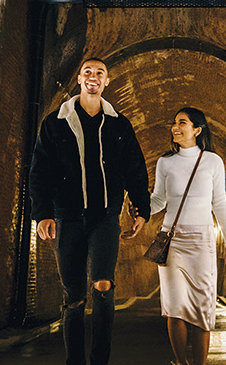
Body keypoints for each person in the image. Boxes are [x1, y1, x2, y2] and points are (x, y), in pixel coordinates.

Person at [29, 57, 151, 365]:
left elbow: (135, 169)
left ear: (107, 81)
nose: (93, 77)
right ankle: (75, 361)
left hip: (105, 217)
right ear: (80, 79)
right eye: (88, 72)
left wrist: (141, 209)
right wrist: (42, 213)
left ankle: (100, 359)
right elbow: (39, 171)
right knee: (74, 297)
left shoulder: (120, 124)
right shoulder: (55, 122)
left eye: (100, 73)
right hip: (67, 217)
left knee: (103, 285)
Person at [146, 107, 226, 365]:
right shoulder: (165, 163)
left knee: (202, 309)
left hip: (202, 241)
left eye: (182, 123)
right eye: (174, 123)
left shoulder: (213, 161)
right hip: (172, 241)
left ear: (197, 130)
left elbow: (220, 203)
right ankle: (180, 362)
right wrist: (140, 207)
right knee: (175, 308)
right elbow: (158, 200)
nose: (175, 127)